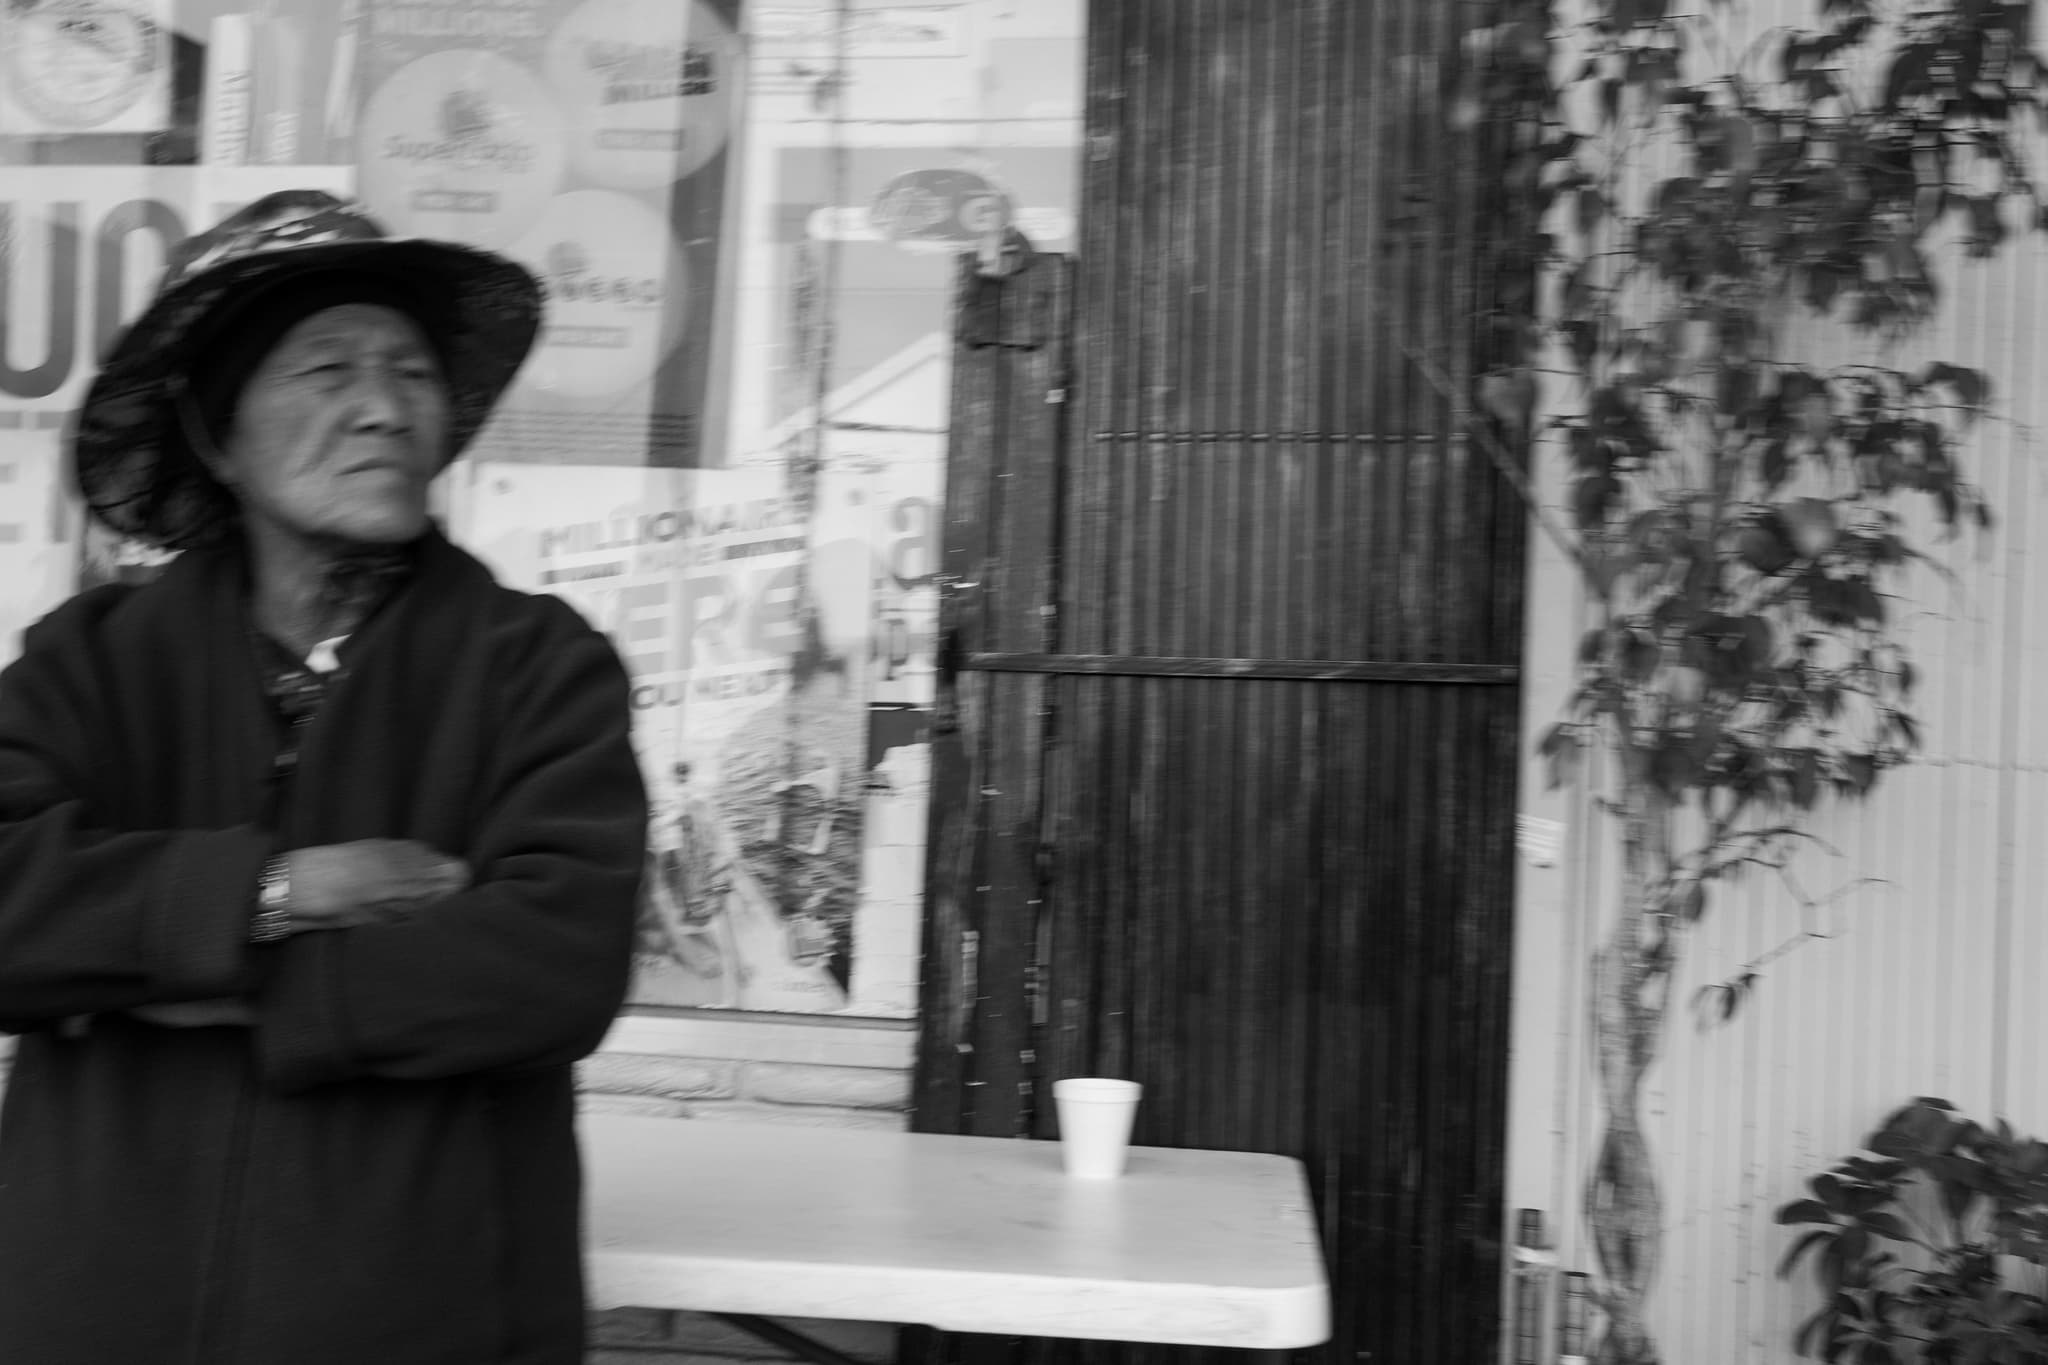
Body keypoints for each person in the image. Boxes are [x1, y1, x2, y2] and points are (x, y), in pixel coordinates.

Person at [0, 190, 648, 1365]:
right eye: (325, 369)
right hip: (96, 1319)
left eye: (409, 372)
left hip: (435, 1323)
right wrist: (284, 893)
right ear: (216, 435)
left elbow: (557, 962)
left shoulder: (536, 666)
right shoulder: (91, 663)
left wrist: (163, 971)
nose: (382, 409)